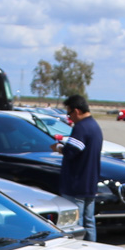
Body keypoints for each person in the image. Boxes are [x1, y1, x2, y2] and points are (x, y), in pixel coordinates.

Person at [52, 93, 104, 240]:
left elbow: (71, 151)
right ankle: (92, 247)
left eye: (69, 114)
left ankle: (78, 249)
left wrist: (58, 148)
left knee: (76, 222)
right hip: (90, 182)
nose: (69, 118)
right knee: (89, 221)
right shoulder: (95, 126)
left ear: (76, 111)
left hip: (77, 183)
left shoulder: (81, 127)